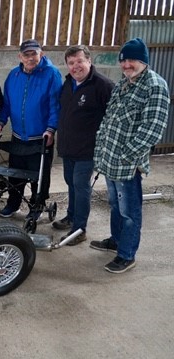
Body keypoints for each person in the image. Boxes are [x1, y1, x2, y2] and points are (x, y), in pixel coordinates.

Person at [91, 38, 170, 273]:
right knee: (115, 205)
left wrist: (127, 156)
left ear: (144, 61)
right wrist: (101, 152)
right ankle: (116, 241)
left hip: (127, 164)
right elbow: (108, 120)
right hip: (110, 161)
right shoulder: (123, 84)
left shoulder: (155, 85)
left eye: (132, 60)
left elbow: (152, 129)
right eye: (123, 60)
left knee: (129, 211)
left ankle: (127, 254)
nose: (126, 64)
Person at [53, 45, 114, 246]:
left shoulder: (103, 85)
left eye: (80, 61)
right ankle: (71, 216)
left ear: (89, 60)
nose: (75, 66)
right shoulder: (68, 83)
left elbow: (113, 117)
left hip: (88, 150)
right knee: (71, 183)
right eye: (71, 63)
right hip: (69, 147)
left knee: (81, 186)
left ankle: (79, 230)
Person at [0, 39, 62, 219]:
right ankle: (13, 203)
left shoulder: (52, 74)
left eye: (34, 53)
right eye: (27, 54)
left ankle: (37, 205)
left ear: (41, 54)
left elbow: (55, 105)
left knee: (39, 176)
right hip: (18, 136)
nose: (31, 58)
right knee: (15, 174)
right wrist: (1, 122)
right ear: (20, 56)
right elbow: (7, 103)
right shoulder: (13, 75)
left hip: (41, 137)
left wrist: (51, 128)